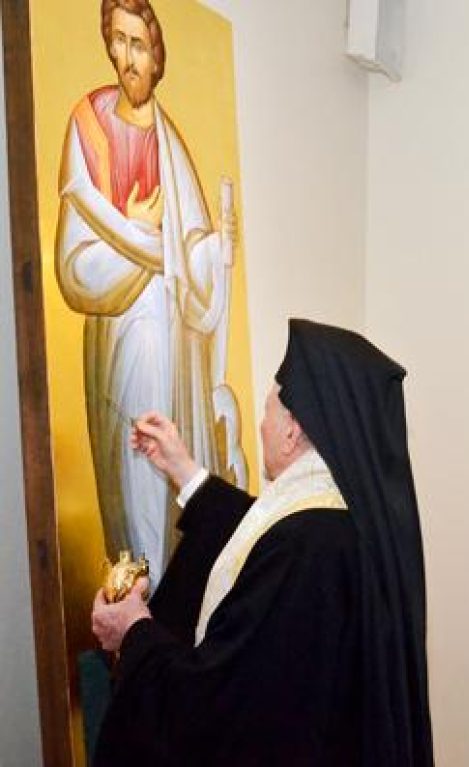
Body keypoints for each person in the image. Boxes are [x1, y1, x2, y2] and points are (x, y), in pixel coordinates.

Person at [90, 319, 434, 766]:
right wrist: (185, 471)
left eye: (268, 410)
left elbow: (220, 701)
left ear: (291, 429)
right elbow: (257, 531)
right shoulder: (343, 519)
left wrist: (135, 630)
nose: (260, 424)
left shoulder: (305, 546)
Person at [56, 0, 244, 577]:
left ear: (156, 57)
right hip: (123, 344)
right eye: (119, 40)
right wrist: (142, 235)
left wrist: (219, 247)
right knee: (133, 474)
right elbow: (75, 266)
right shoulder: (87, 127)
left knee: (168, 483)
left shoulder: (169, 142)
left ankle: (165, 605)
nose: (128, 57)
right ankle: (141, 598)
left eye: (140, 45)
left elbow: (192, 260)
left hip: (171, 353)